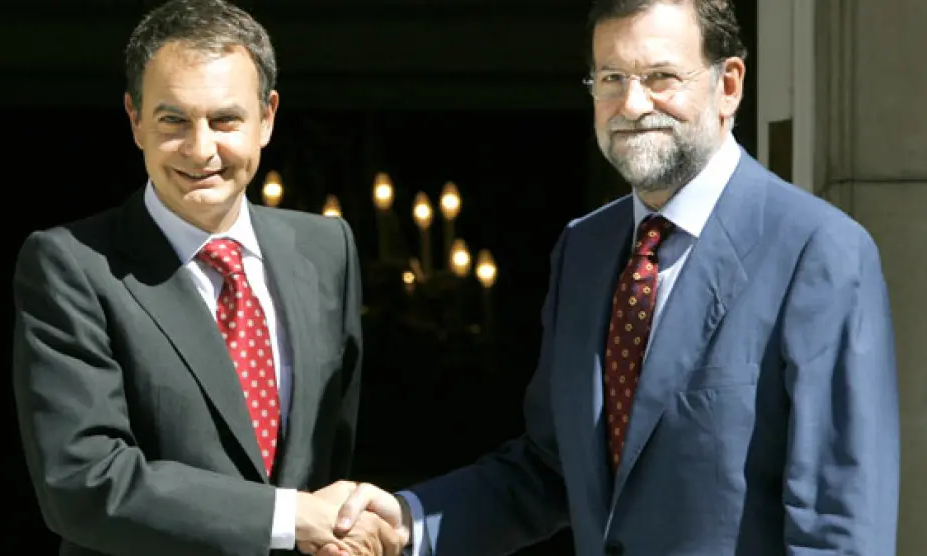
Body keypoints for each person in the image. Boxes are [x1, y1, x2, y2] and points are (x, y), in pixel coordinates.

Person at [317, 1, 901, 554]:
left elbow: (839, 524)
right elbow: (550, 468)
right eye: (611, 78)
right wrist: (411, 519)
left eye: (661, 77)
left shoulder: (818, 252)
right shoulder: (586, 249)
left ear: (728, 85)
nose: (632, 104)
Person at [11, 0, 404, 554]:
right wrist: (290, 517)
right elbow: (82, 482)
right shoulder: (71, 264)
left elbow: (330, 454)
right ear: (135, 120)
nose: (200, 150)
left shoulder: (326, 249)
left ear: (267, 118)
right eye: (173, 120)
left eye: (225, 120)